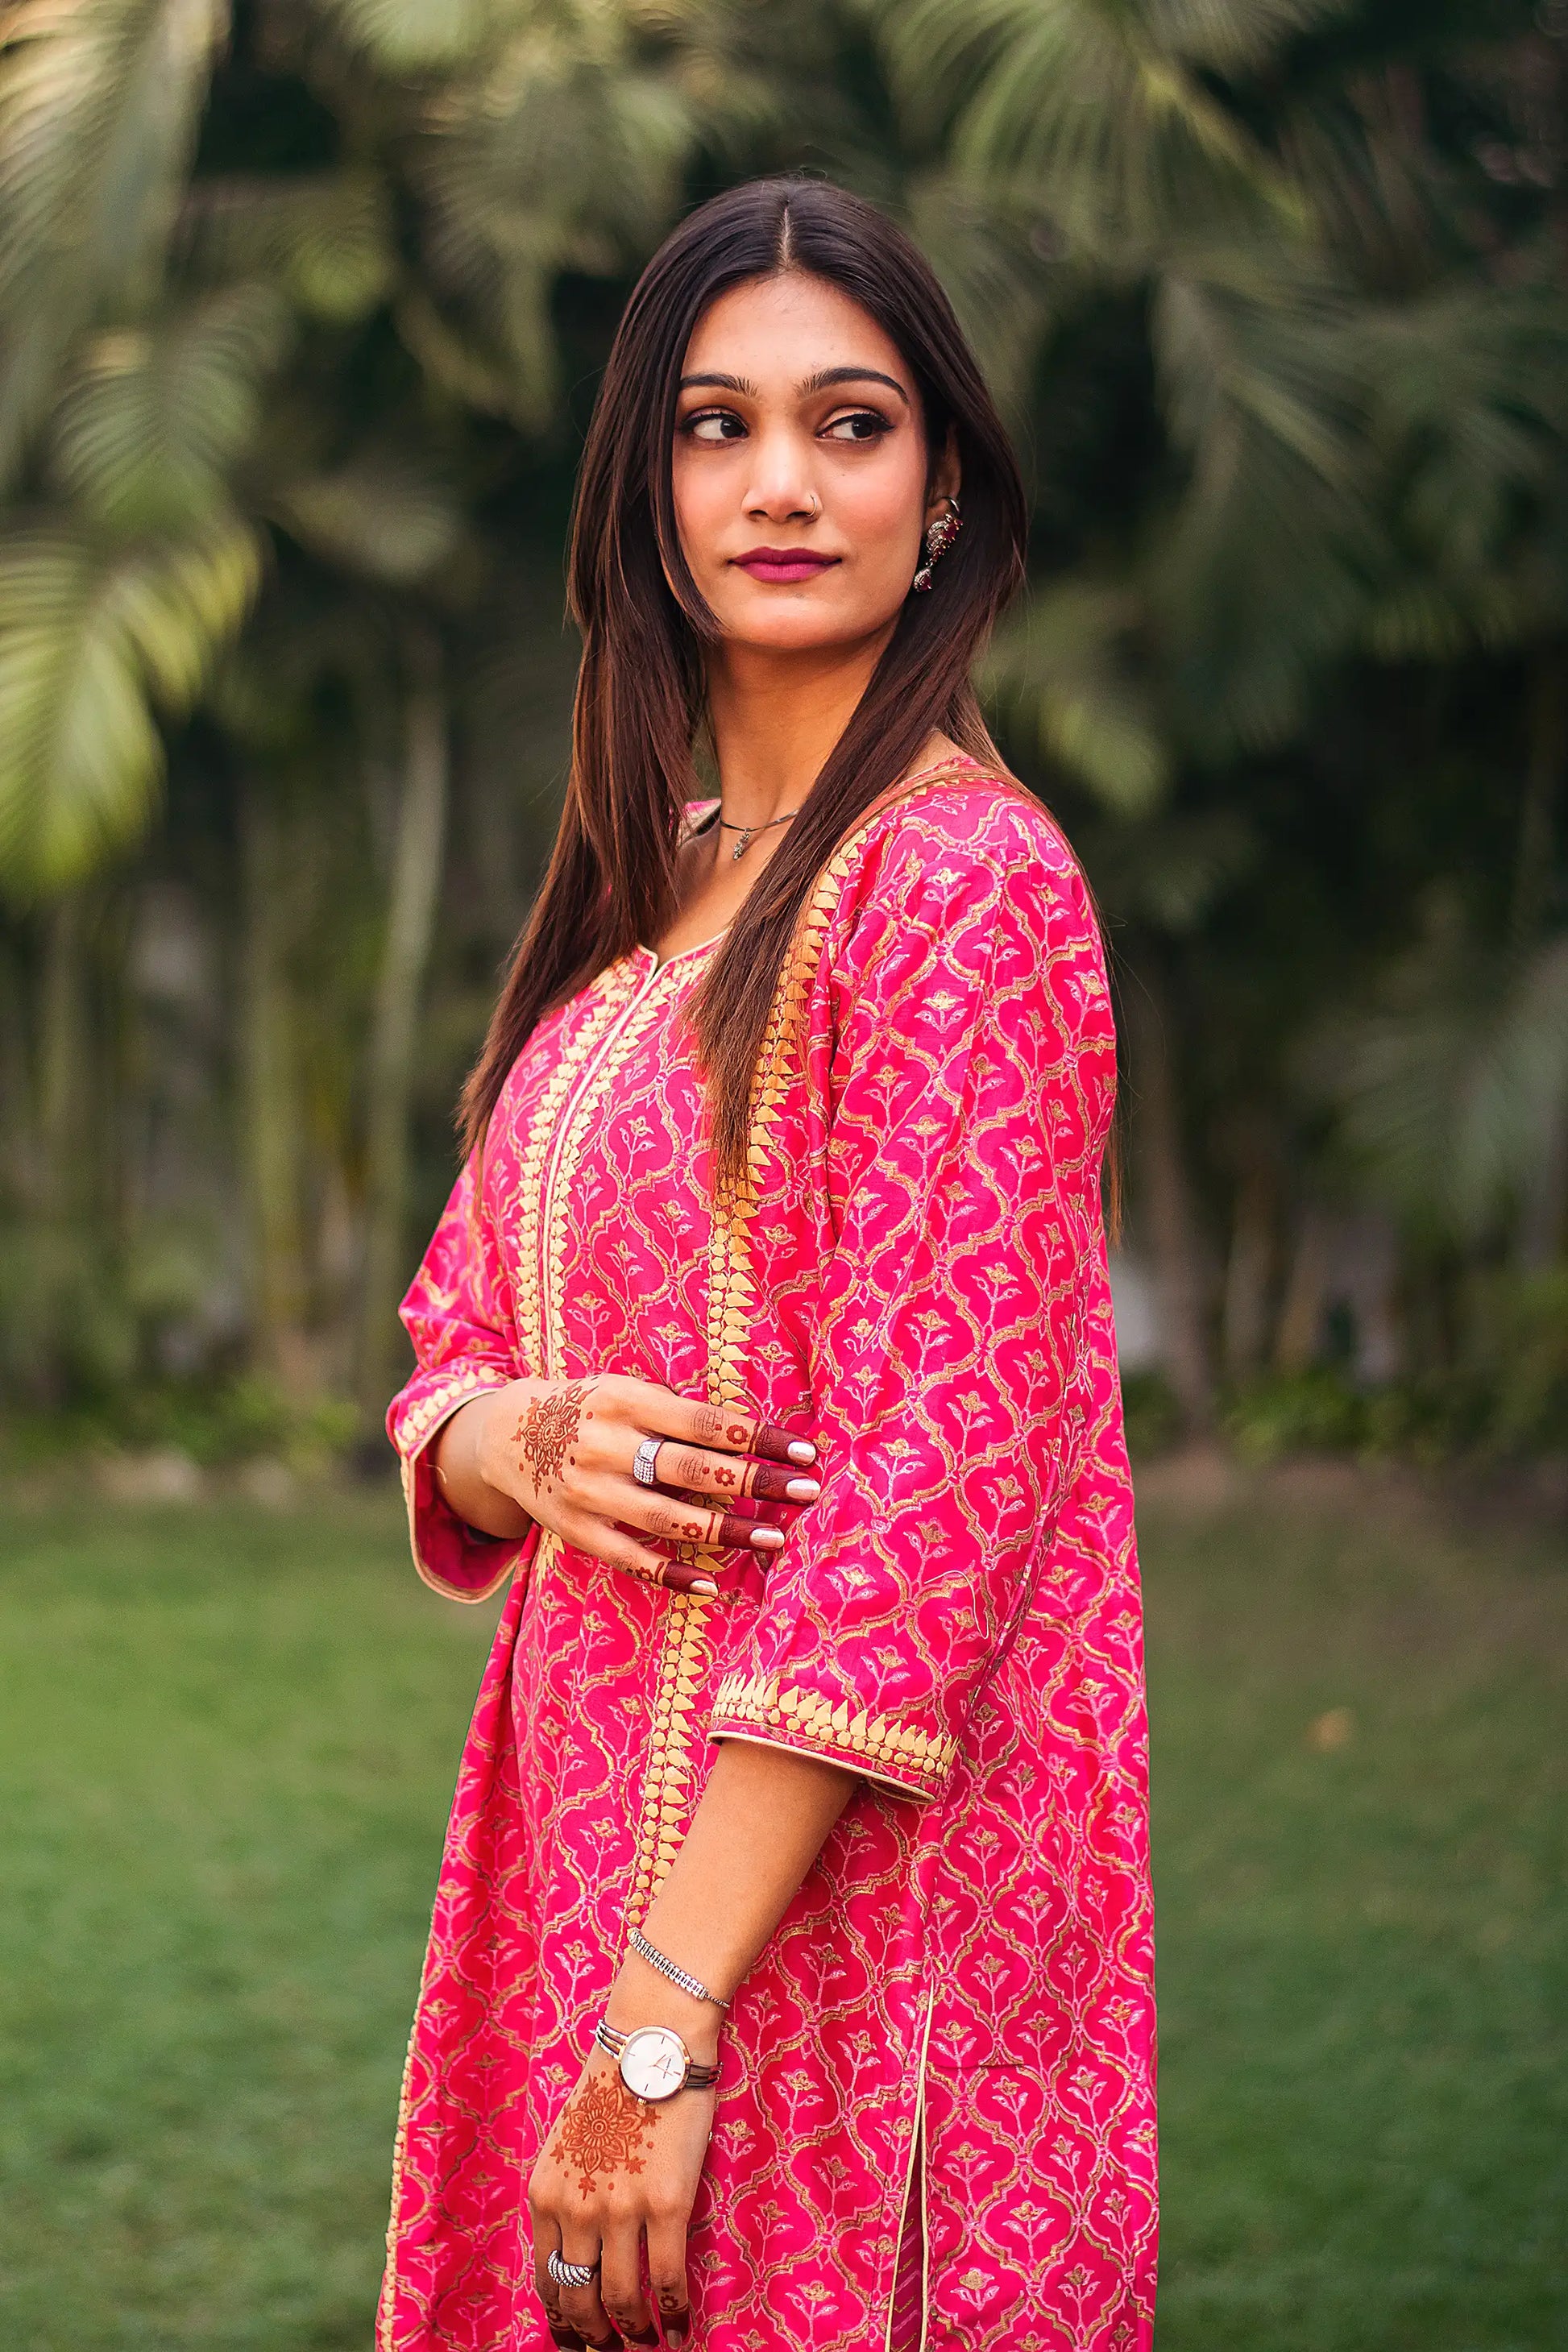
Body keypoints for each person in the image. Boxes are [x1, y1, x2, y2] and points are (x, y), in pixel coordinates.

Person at [378, 175, 1155, 2352]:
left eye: (851, 422)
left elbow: (937, 1497)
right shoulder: (643, 930)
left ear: (941, 498)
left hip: (827, 1943)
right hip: (587, 1885)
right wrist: (502, 1437)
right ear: (641, 499)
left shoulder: (959, 881)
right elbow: (449, 1345)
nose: (782, 482)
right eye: (715, 427)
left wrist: (662, 2025)